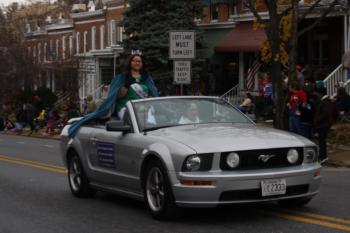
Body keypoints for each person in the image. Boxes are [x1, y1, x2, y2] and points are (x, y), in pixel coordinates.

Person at [68, 54, 158, 138]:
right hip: (126, 107)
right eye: (134, 61)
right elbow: (118, 96)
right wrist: (126, 85)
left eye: (139, 61)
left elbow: (152, 94)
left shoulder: (146, 78)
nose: (137, 63)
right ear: (130, 63)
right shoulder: (122, 77)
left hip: (144, 108)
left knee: (153, 125)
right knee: (133, 127)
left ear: (142, 64)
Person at [314, 88, 335, 164]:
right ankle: (324, 156)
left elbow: (325, 113)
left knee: (322, 140)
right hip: (325, 123)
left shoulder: (325, 102)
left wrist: (317, 120)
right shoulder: (327, 101)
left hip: (323, 124)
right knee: (322, 140)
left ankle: (322, 157)